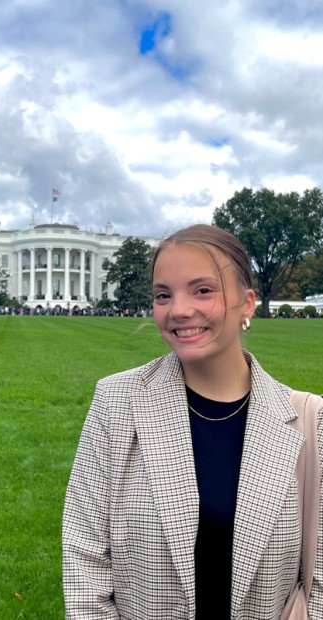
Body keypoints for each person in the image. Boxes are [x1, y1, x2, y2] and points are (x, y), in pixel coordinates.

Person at [62, 224, 323, 619]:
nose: (178, 310)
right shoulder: (117, 401)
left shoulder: (309, 420)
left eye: (203, 290)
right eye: (163, 295)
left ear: (247, 304)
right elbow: (85, 557)